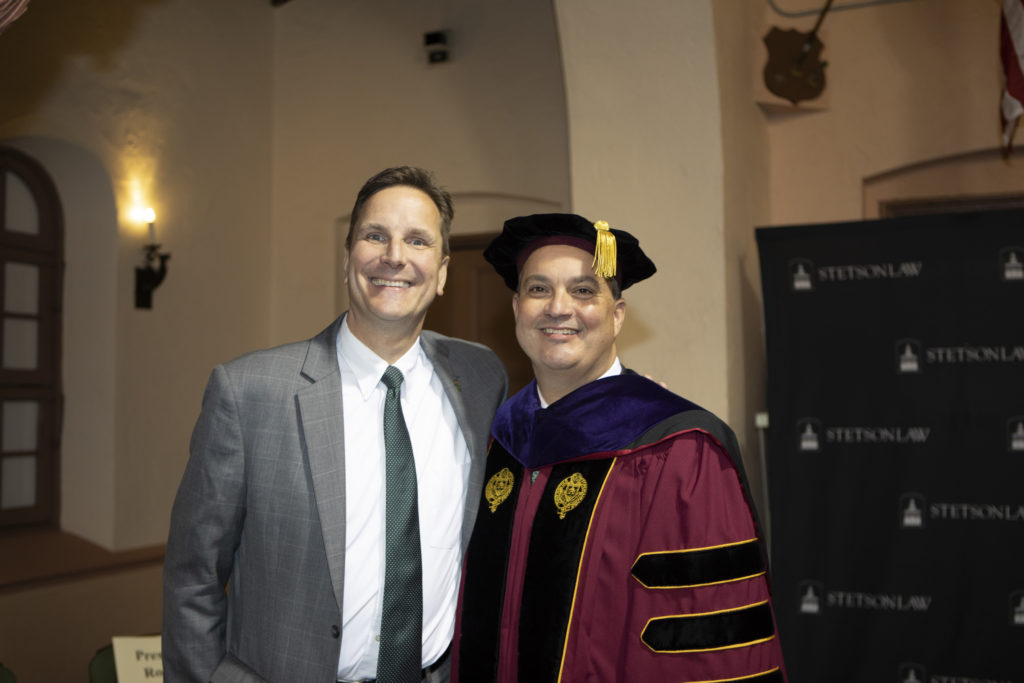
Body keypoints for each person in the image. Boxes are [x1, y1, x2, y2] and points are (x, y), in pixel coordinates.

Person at [163, 166, 508, 683]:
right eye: (375, 236)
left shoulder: (480, 378)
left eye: (417, 240)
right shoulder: (249, 393)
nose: (395, 256)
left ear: (441, 273)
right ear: (347, 260)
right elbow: (194, 578)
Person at [452, 213, 787, 682]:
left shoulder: (680, 452)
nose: (558, 307)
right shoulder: (496, 436)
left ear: (618, 314)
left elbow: (707, 645)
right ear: (516, 308)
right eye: (538, 289)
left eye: (583, 290)